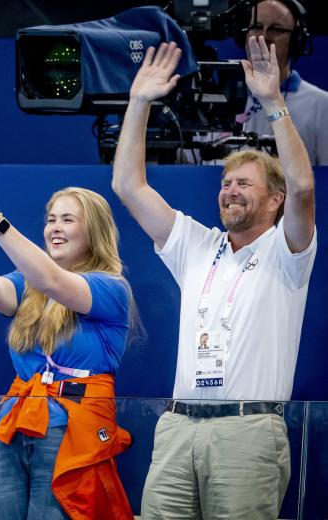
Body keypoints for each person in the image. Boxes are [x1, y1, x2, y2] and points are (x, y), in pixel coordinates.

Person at [112, 38, 316, 518]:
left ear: (274, 201)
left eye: (244, 183)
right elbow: (127, 185)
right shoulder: (197, 246)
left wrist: (272, 103)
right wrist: (138, 102)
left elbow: (304, 185)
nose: (230, 191)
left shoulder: (288, 250)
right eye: (226, 183)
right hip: (179, 426)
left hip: (248, 430)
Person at [0, 182, 135, 519]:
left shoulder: (111, 288)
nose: (55, 228)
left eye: (67, 219)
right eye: (51, 219)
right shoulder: (29, 283)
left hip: (69, 431)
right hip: (13, 425)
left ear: (92, 230)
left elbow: (53, 281)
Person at [236, 0, 328, 165]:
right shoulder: (217, 100)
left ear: (296, 41)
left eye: (276, 29)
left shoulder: (321, 105)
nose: (262, 37)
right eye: (256, 26)